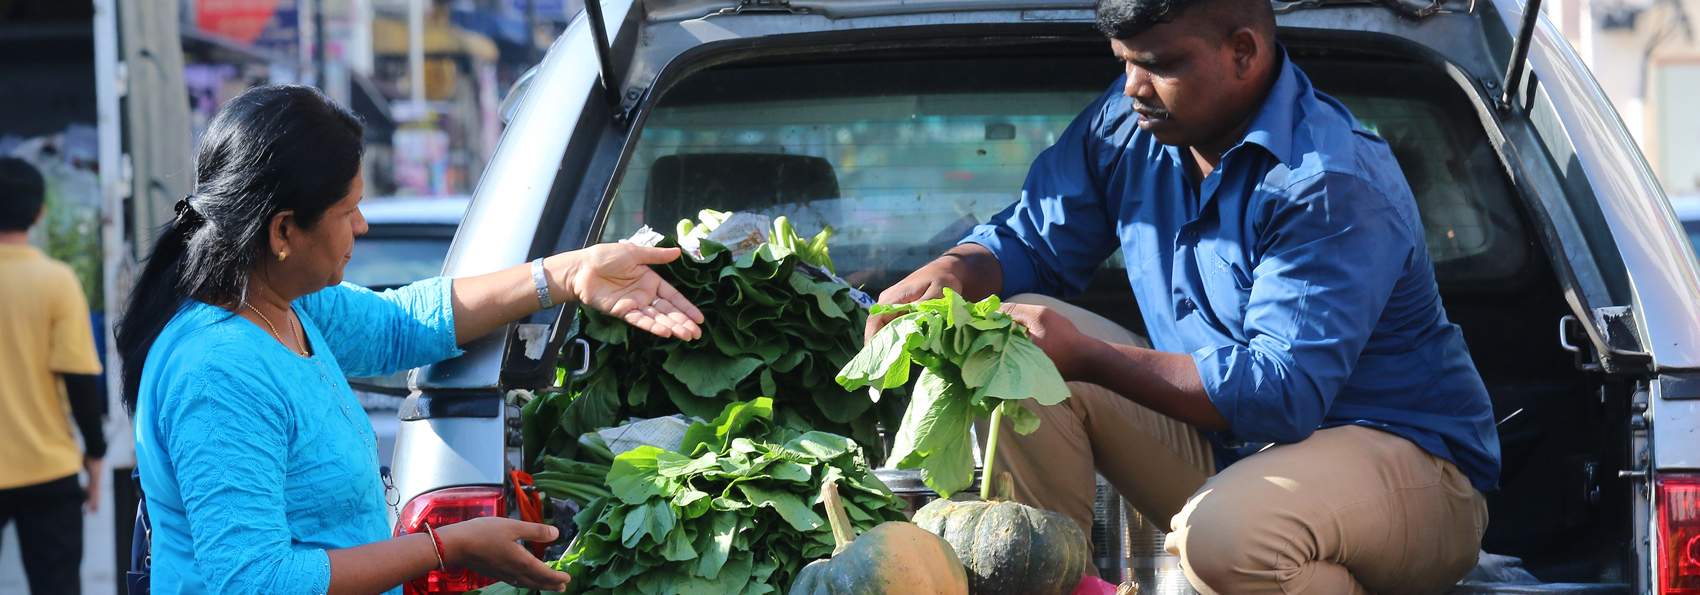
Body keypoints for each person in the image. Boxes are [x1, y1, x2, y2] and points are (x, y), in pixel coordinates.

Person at [869, 0, 1499, 592]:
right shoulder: (1129, 129)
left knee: (1226, 537)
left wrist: (1088, 356)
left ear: (1243, 52)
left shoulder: (1326, 182)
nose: (1132, 88)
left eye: (1158, 64)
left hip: (1412, 472)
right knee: (1013, 347)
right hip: (1236, 459)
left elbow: (1281, 393)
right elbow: (1033, 240)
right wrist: (957, 269)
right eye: (1124, 62)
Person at [115, 85, 706, 595]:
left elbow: (402, 323)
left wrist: (567, 274)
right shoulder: (218, 371)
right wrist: (447, 546)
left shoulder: (284, 301)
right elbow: (257, 581)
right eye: (348, 210)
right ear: (284, 231)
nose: (362, 225)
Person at [0, 157, 107, 595]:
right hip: (49, 468)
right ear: (40, 212)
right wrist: (95, 456)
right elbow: (80, 380)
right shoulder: (56, 281)